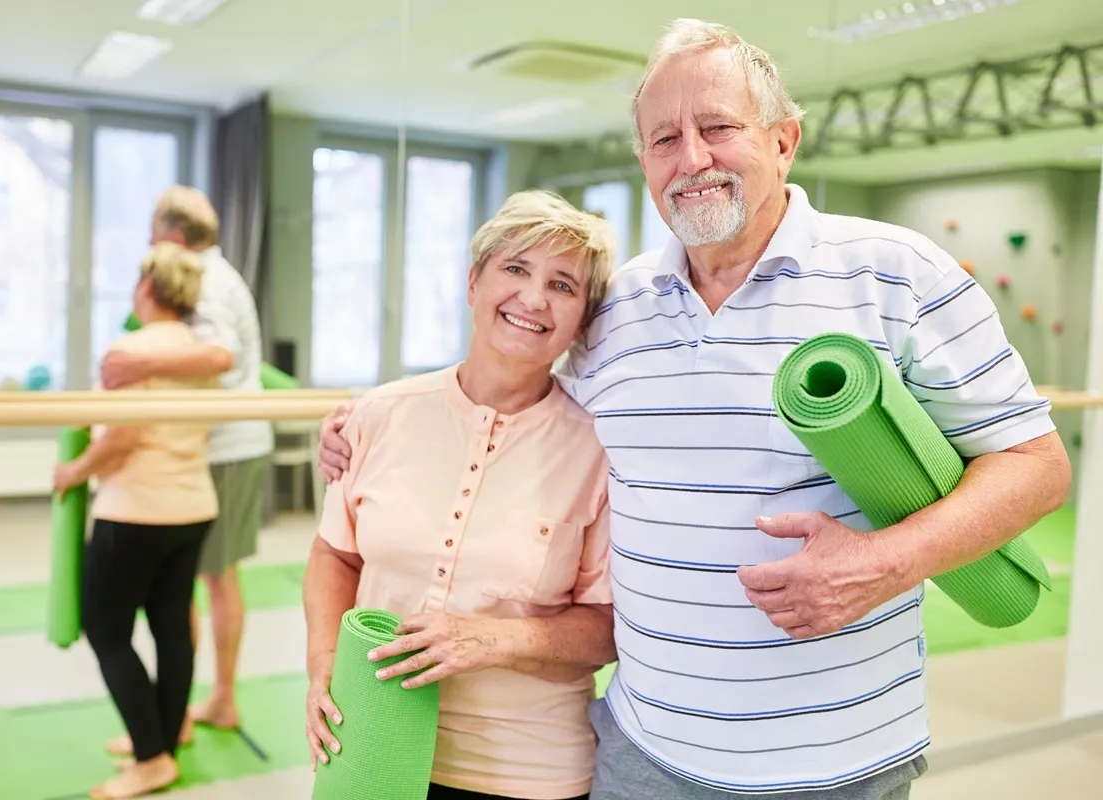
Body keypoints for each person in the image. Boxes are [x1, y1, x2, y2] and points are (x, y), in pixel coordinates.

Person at [319, 18, 1072, 800]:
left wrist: (886, 562)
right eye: (664, 139)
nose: (693, 159)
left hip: (838, 763)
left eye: (717, 127)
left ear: (784, 141)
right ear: (644, 161)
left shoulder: (895, 274)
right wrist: (362, 426)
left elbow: (1036, 466)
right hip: (642, 756)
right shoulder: (615, 313)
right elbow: (515, 410)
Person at [304, 190, 618, 800]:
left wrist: (489, 640)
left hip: (528, 767)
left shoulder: (600, 451)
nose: (533, 298)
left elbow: (607, 628)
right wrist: (323, 664)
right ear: (474, 283)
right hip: (370, 736)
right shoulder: (378, 414)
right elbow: (336, 555)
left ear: (583, 318)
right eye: (516, 269)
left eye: (562, 285)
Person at [98, 186, 273, 749]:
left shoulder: (208, 277)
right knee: (203, 584)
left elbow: (220, 356)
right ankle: (191, 708)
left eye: (152, 236)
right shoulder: (211, 273)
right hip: (218, 445)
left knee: (213, 581)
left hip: (229, 446)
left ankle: (211, 702)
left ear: (173, 238)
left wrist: (133, 359)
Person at [53, 242, 219, 800]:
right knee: (171, 625)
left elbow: (121, 437)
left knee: (106, 629)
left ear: (146, 288)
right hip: (192, 506)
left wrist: (73, 471)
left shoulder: (131, 350)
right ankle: (160, 740)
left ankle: (151, 759)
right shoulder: (196, 351)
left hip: (135, 512)